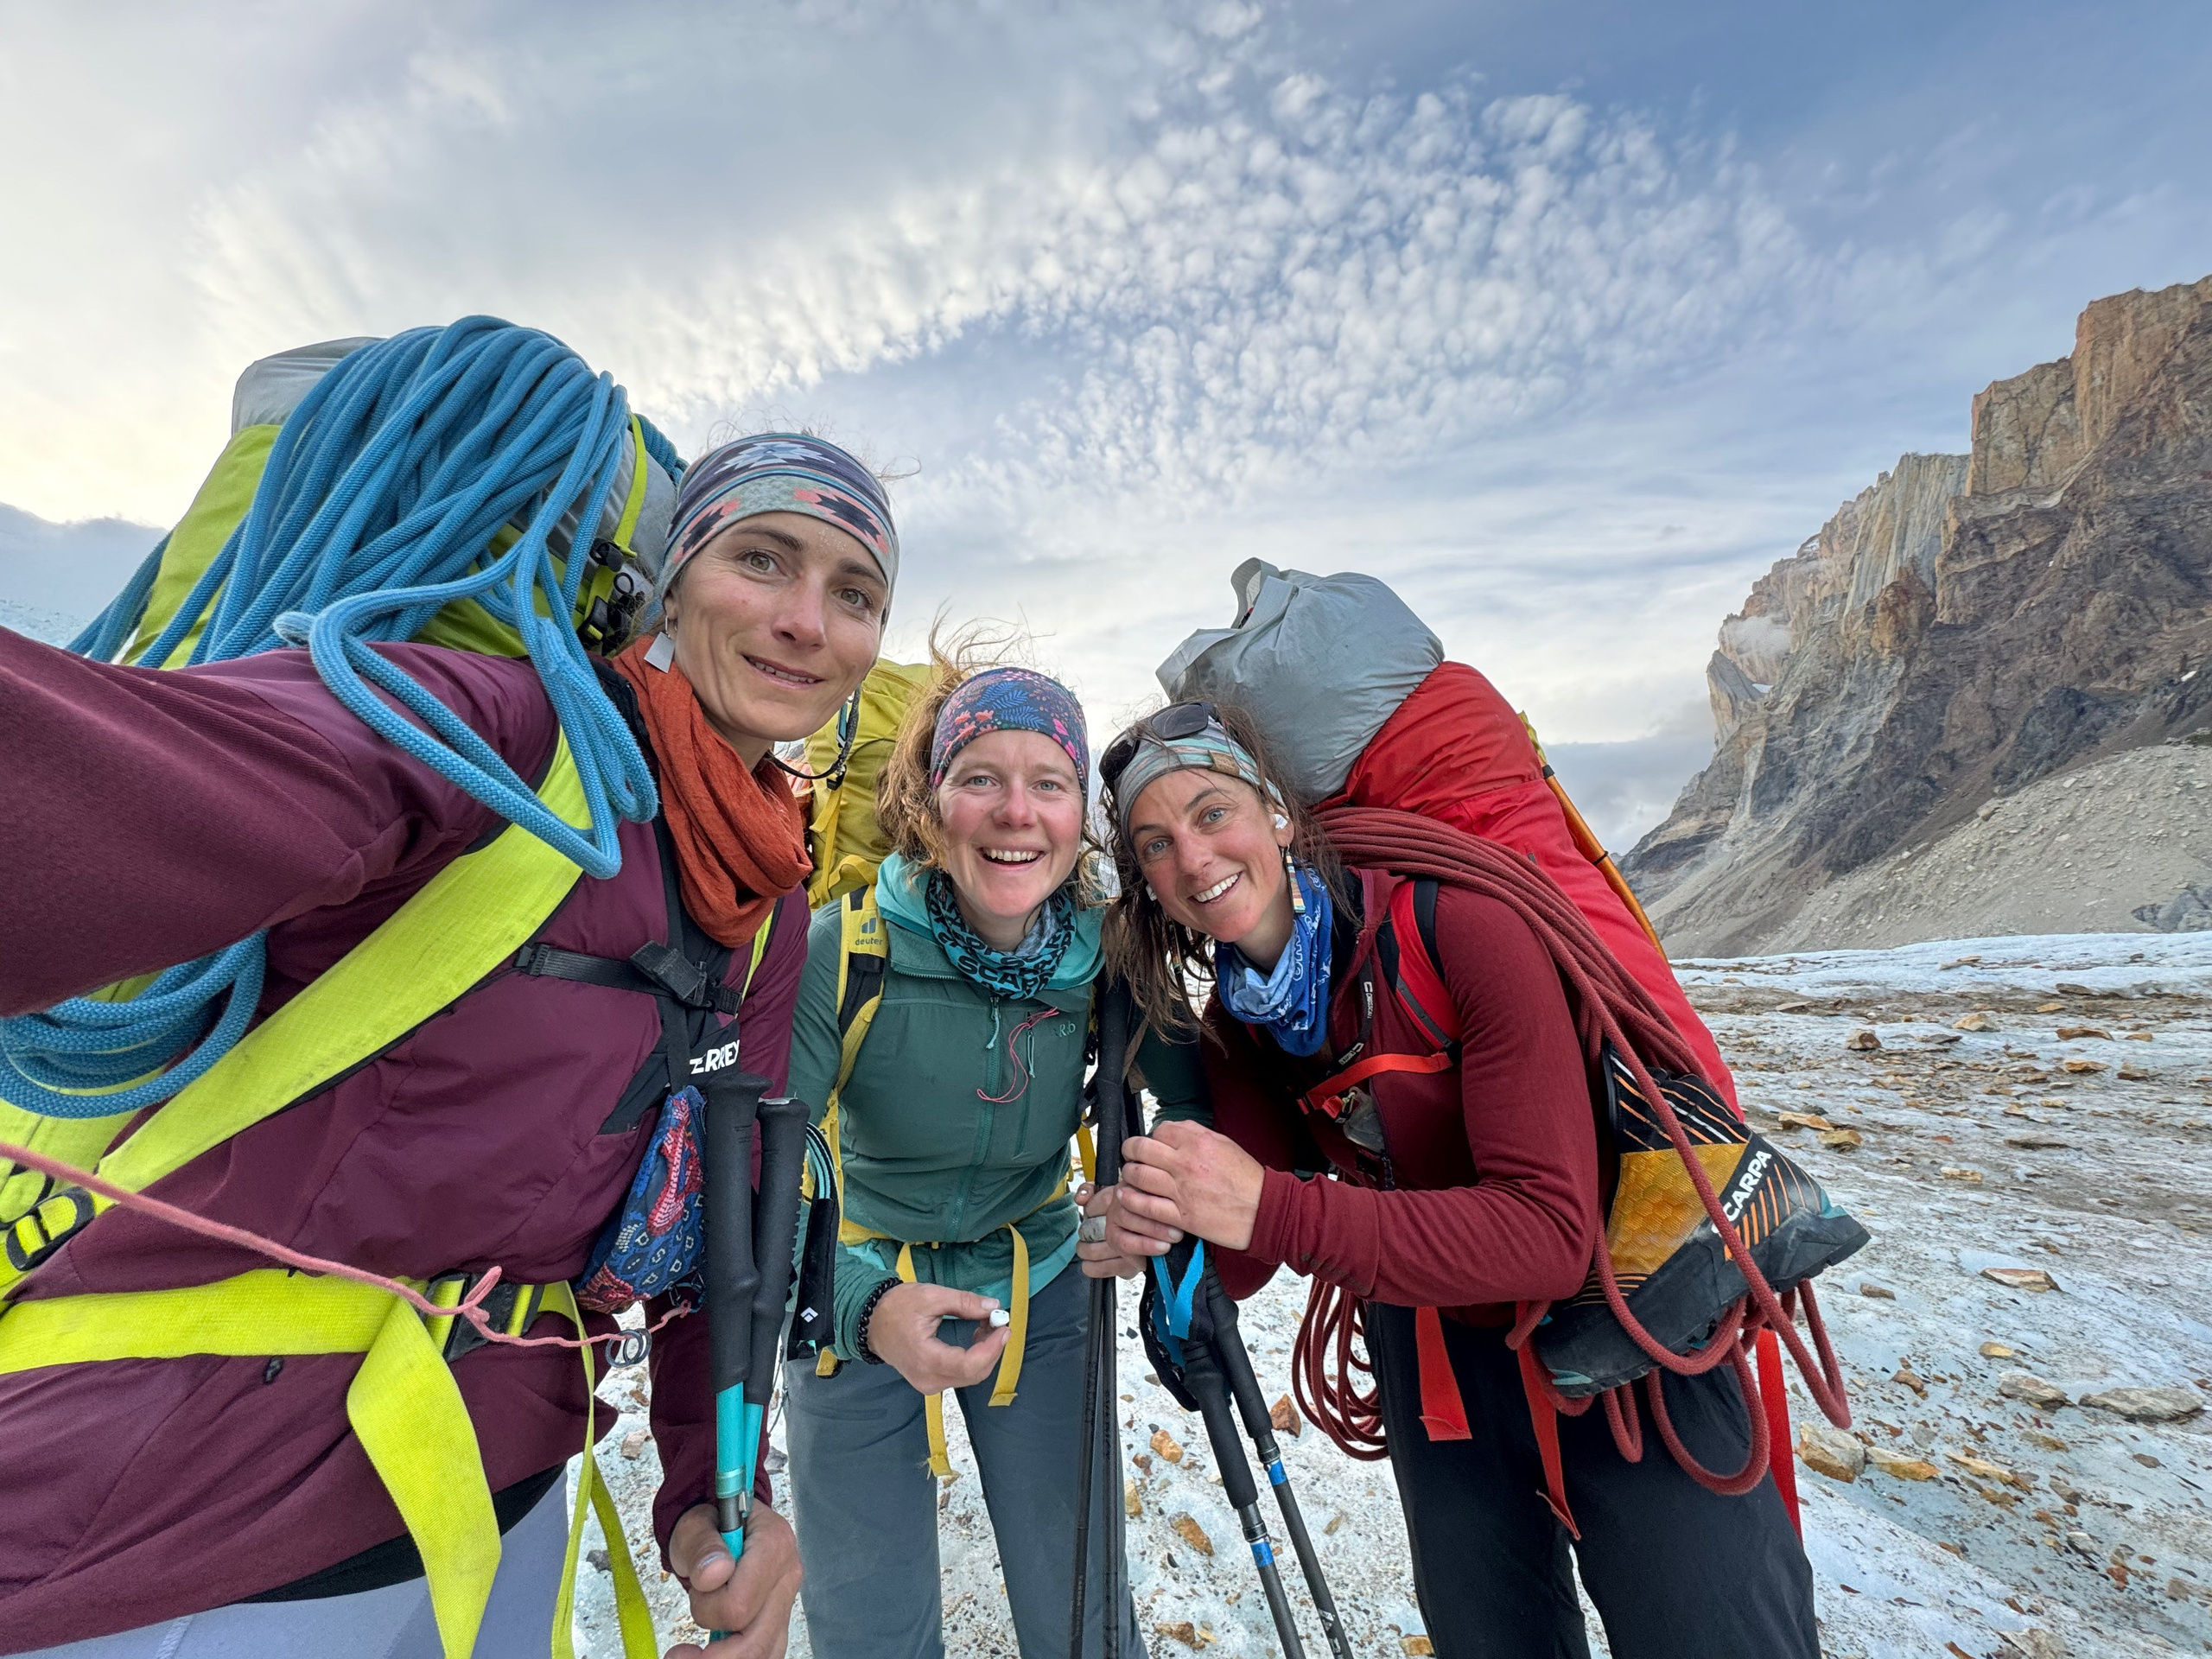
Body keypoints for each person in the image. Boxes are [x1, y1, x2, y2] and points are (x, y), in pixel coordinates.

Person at [0, 433, 899, 1659]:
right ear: (674, 581)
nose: (807, 620)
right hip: (189, 1520)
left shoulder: (767, 893)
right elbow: (137, 781)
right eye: (763, 559)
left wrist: (708, 1493)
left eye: (854, 593)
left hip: (493, 1502)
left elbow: (720, 1206)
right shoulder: (507, 733)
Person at [1078, 702, 1819, 1659]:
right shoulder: (1243, 1013)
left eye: (1212, 814)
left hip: (1628, 1328)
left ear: (1278, 815)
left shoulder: (1458, 924)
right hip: (1439, 1359)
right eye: (1155, 845)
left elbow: (1548, 1233)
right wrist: (1155, 1237)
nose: (1192, 857)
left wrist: (1267, 1205)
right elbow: (1252, 1247)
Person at [780, 652, 1194, 1659]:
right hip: (856, 1291)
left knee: (1083, 1612)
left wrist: (1152, 1204)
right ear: (931, 803)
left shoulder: (1106, 959)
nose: (1018, 812)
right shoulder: (842, 951)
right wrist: (866, 1310)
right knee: (870, 1629)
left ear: (1076, 817)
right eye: (981, 779)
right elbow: (757, 1179)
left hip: (1040, 1286)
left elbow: (1198, 1118)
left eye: (1048, 784)